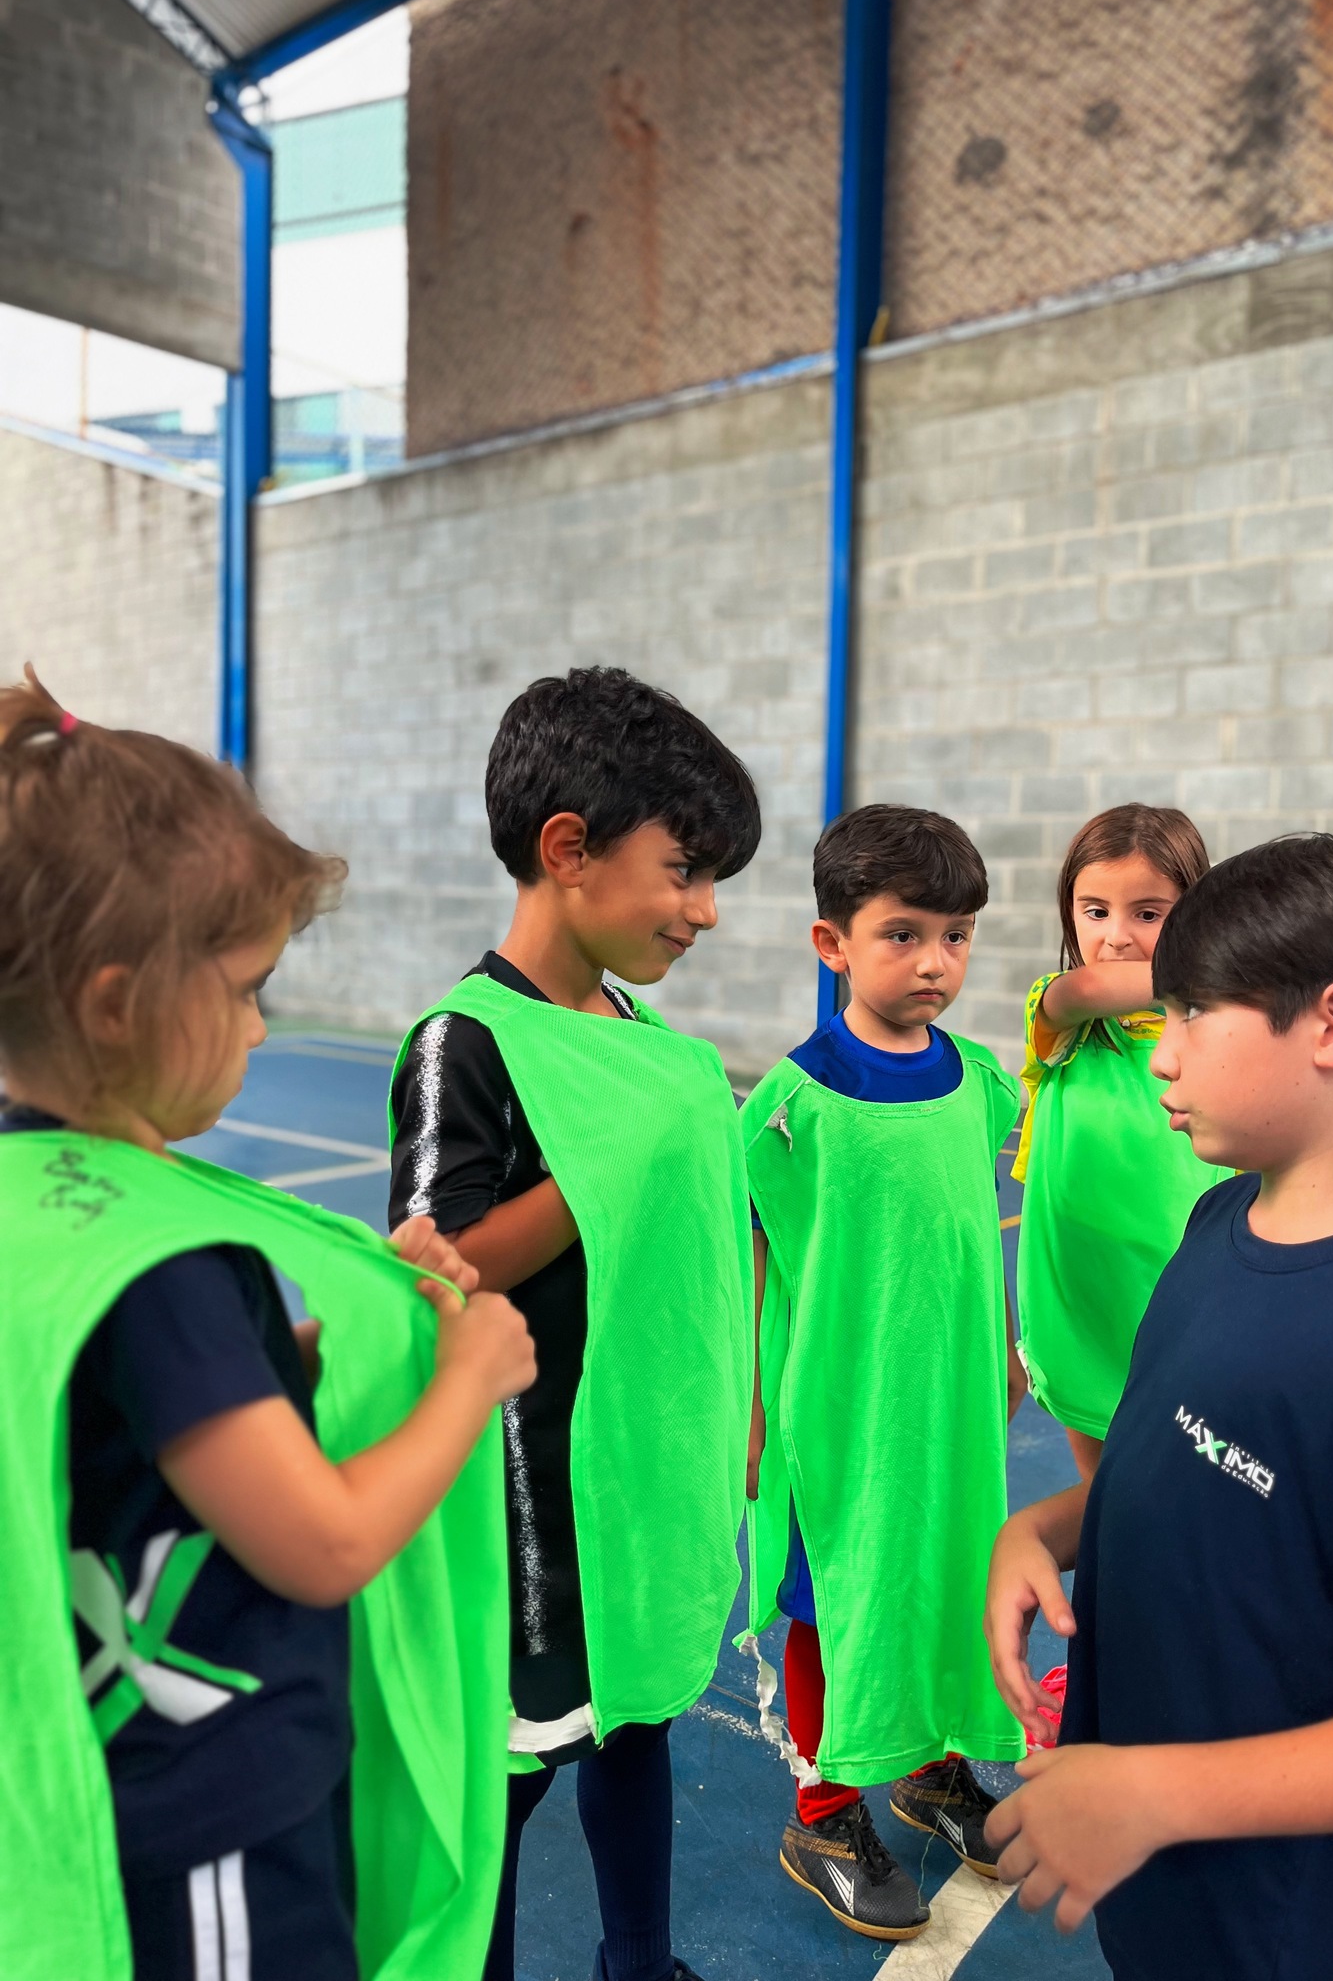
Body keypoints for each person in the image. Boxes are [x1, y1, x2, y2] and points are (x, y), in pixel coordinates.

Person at [0, 670, 538, 1981]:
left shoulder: (44, 1194)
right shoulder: (154, 1257)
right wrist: (471, 1375)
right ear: (119, 1005)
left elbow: (153, 1428)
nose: (260, 1026)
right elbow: (324, 1543)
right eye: (246, 991)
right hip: (210, 1808)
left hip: (110, 1772)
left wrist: (320, 1352)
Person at [983, 832, 1333, 1981]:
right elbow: (1177, 1464)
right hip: (1158, 1881)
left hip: (1288, 1929)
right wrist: (1042, 1531)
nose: (1161, 1060)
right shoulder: (1216, 1228)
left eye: (1190, 1018)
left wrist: (1155, 1791)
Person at [388, 665, 760, 1981]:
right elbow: (436, 1270)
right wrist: (604, 1171)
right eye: (684, 872)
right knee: (518, 1766)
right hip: (532, 1489)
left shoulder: (641, 1038)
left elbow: (701, 1253)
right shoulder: (467, 1042)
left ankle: (639, 1964)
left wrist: (742, 1406)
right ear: (569, 852)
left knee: (642, 1720)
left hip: (644, 1481)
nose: (705, 912)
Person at [740, 803, 1026, 1942]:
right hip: (838, 1411)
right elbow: (752, 1260)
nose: (935, 963)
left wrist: (1005, 1342)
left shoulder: (981, 1084)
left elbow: (980, 1229)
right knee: (836, 1597)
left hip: (950, 1405)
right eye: (903, 934)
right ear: (832, 945)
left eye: (955, 936)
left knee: (950, 1578)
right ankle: (820, 1813)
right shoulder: (792, 1106)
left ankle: (934, 1768)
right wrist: (752, 1410)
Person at [1014, 805, 1227, 1486]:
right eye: (1095, 910)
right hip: (1083, 1300)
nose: (1115, 936)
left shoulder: (1216, 1029)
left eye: (1148, 913)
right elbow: (1094, 986)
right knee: (1107, 1495)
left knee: (1188, 1494)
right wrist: (1235, 959)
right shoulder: (1061, 1011)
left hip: (1184, 1300)